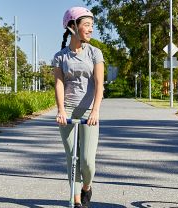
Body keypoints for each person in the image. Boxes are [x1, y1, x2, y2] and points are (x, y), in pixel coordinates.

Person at [52, 6, 105, 208]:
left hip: (90, 112)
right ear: (73, 26)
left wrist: (95, 111)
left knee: (87, 162)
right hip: (67, 111)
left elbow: (99, 84)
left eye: (92, 25)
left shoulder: (95, 53)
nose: (91, 29)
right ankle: (76, 201)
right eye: (87, 25)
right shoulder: (60, 56)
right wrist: (61, 110)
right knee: (72, 160)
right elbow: (59, 83)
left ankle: (86, 188)